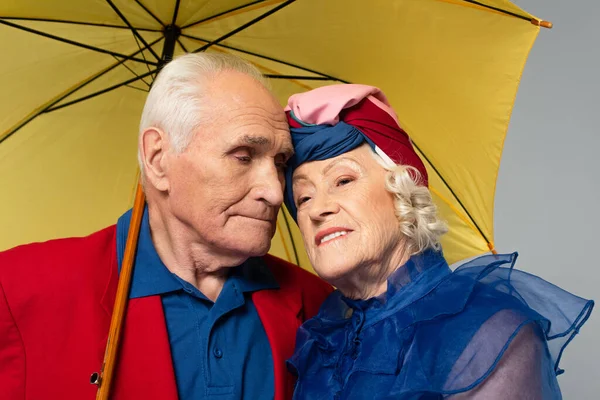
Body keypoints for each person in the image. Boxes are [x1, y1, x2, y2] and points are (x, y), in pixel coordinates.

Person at [0, 53, 332, 400]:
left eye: (280, 162)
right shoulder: (16, 290)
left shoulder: (319, 305)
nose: (275, 191)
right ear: (158, 159)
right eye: (244, 156)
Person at [282, 84, 594, 399]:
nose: (318, 209)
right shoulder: (320, 347)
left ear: (402, 191)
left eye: (344, 180)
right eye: (303, 197)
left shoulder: (486, 332)